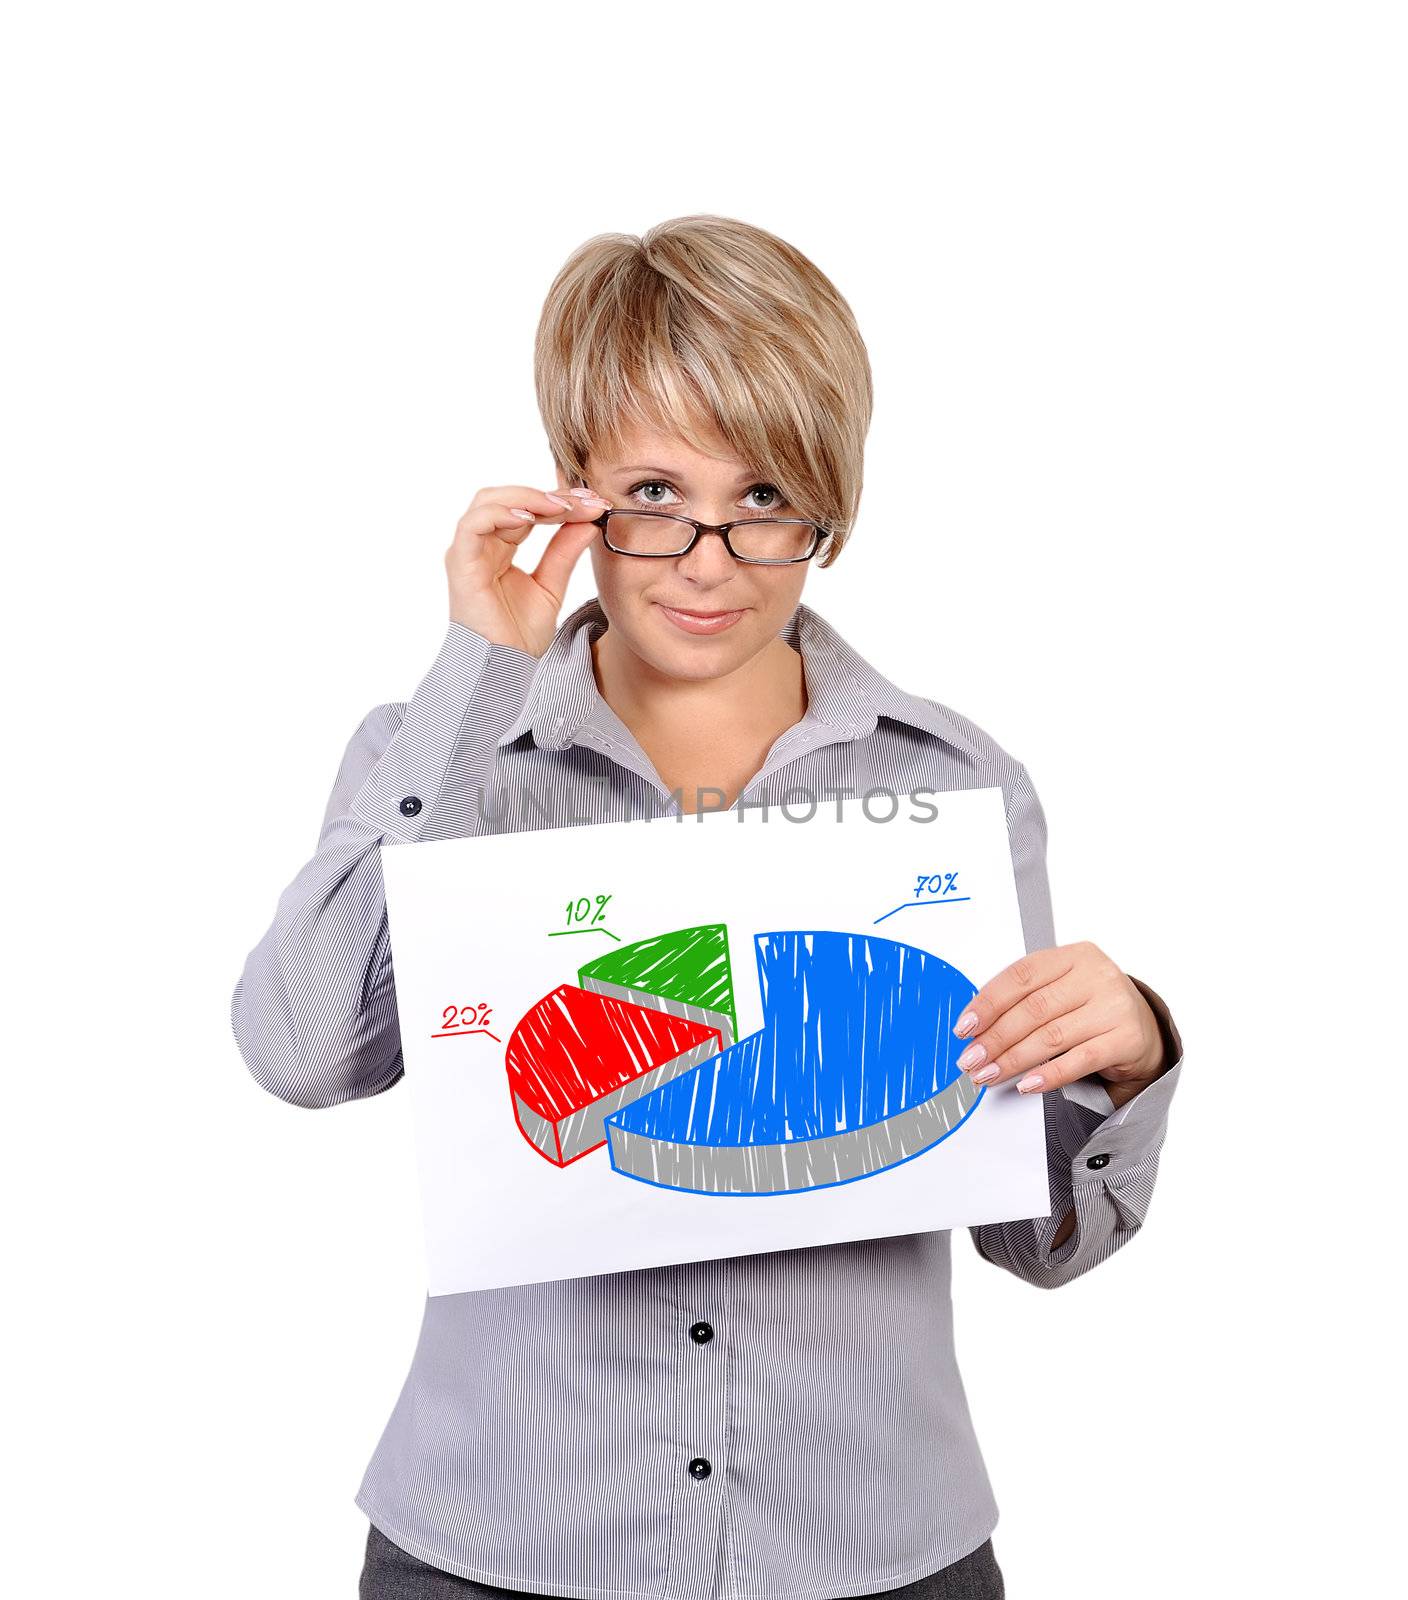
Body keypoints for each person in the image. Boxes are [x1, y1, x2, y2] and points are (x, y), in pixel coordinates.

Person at [231, 215, 1184, 1600]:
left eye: (766, 498)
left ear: (830, 507)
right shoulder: (434, 757)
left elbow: (1038, 1237)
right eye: (654, 491)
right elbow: (305, 1050)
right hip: (503, 1544)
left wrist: (1125, 1057)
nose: (707, 557)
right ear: (571, 491)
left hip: (872, 1545)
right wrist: (472, 677)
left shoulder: (955, 785)